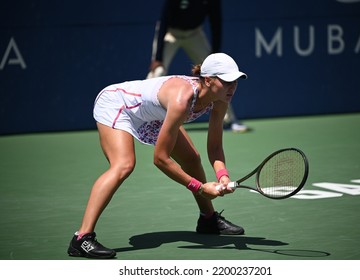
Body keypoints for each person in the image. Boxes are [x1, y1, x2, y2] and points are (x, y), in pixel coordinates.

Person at [67, 53, 247, 259]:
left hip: (154, 114)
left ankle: (208, 219)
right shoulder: (182, 100)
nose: (232, 87)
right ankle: (82, 238)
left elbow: (214, 146)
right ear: (208, 80)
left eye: (235, 81)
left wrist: (222, 175)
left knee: (191, 158)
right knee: (124, 165)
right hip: (119, 105)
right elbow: (160, 159)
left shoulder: (221, 98)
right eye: (227, 81)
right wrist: (199, 187)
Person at [147, 0, 249, 133]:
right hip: (170, 33)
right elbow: (164, 20)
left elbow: (215, 23)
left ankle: (229, 119)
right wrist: (158, 57)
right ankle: (143, 116)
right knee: (158, 71)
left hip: (194, 35)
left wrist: (215, 54)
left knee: (218, 74)